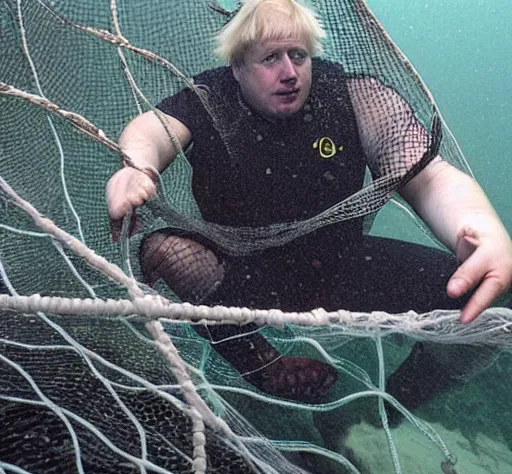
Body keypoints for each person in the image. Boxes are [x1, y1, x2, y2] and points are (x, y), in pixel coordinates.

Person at [106, 0, 512, 417]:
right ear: (237, 66)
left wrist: (483, 228)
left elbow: (427, 177)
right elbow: (152, 128)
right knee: (164, 249)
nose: (289, 72)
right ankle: (265, 367)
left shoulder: (353, 97)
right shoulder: (209, 99)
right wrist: (138, 168)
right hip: (245, 274)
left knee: (493, 292)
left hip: (338, 267)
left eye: (298, 55)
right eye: (269, 58)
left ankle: (397, 403)